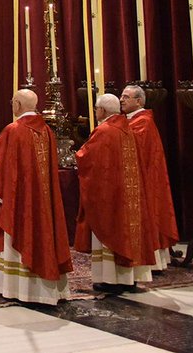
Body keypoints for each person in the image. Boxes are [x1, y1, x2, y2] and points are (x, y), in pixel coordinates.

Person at [0, 88, 72, 305]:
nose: (12, 105)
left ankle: (19, 289)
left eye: (13, 102)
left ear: (18, 106)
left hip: (19, 201)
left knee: (17, 234)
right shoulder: (48, 132)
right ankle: (45, 289)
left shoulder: (14, 130)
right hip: (43, 201)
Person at [75, 93, 155, 291]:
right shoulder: (127, 128)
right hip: (129, 192)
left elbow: (85, 156)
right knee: (129, 231)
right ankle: (130, 278)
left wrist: (77, 155)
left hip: (110, 194)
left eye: (96, 109)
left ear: (101, 111)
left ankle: (112, 280)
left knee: (111, 230)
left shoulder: (104, 130)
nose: (96, 112)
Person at [122, 85, 179, 270]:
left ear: (138, 101)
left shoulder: (143, 121)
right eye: (121, 96)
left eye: (126, 96)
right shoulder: (132, 120)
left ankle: (153, 260)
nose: (121, 99)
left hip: (145, 176)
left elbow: (132, 144)